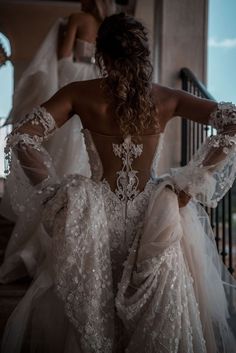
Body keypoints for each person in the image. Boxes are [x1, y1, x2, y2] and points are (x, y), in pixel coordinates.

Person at [1, 13, 236, 353]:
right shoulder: (167, 98)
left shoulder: (79, 93)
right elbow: (232, 122)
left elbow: (23, 136)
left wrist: (54, 191)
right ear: (143, 56)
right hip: (153, 218)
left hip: (94, 218)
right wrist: (190, 182)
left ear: (101, 55)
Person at [0, 0, 115, 282]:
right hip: (100, 85)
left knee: (61, 160)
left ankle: (42, 247)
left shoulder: (77, 18)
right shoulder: (108, 28)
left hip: (76, 82)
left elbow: (63, 60)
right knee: (89, 161)